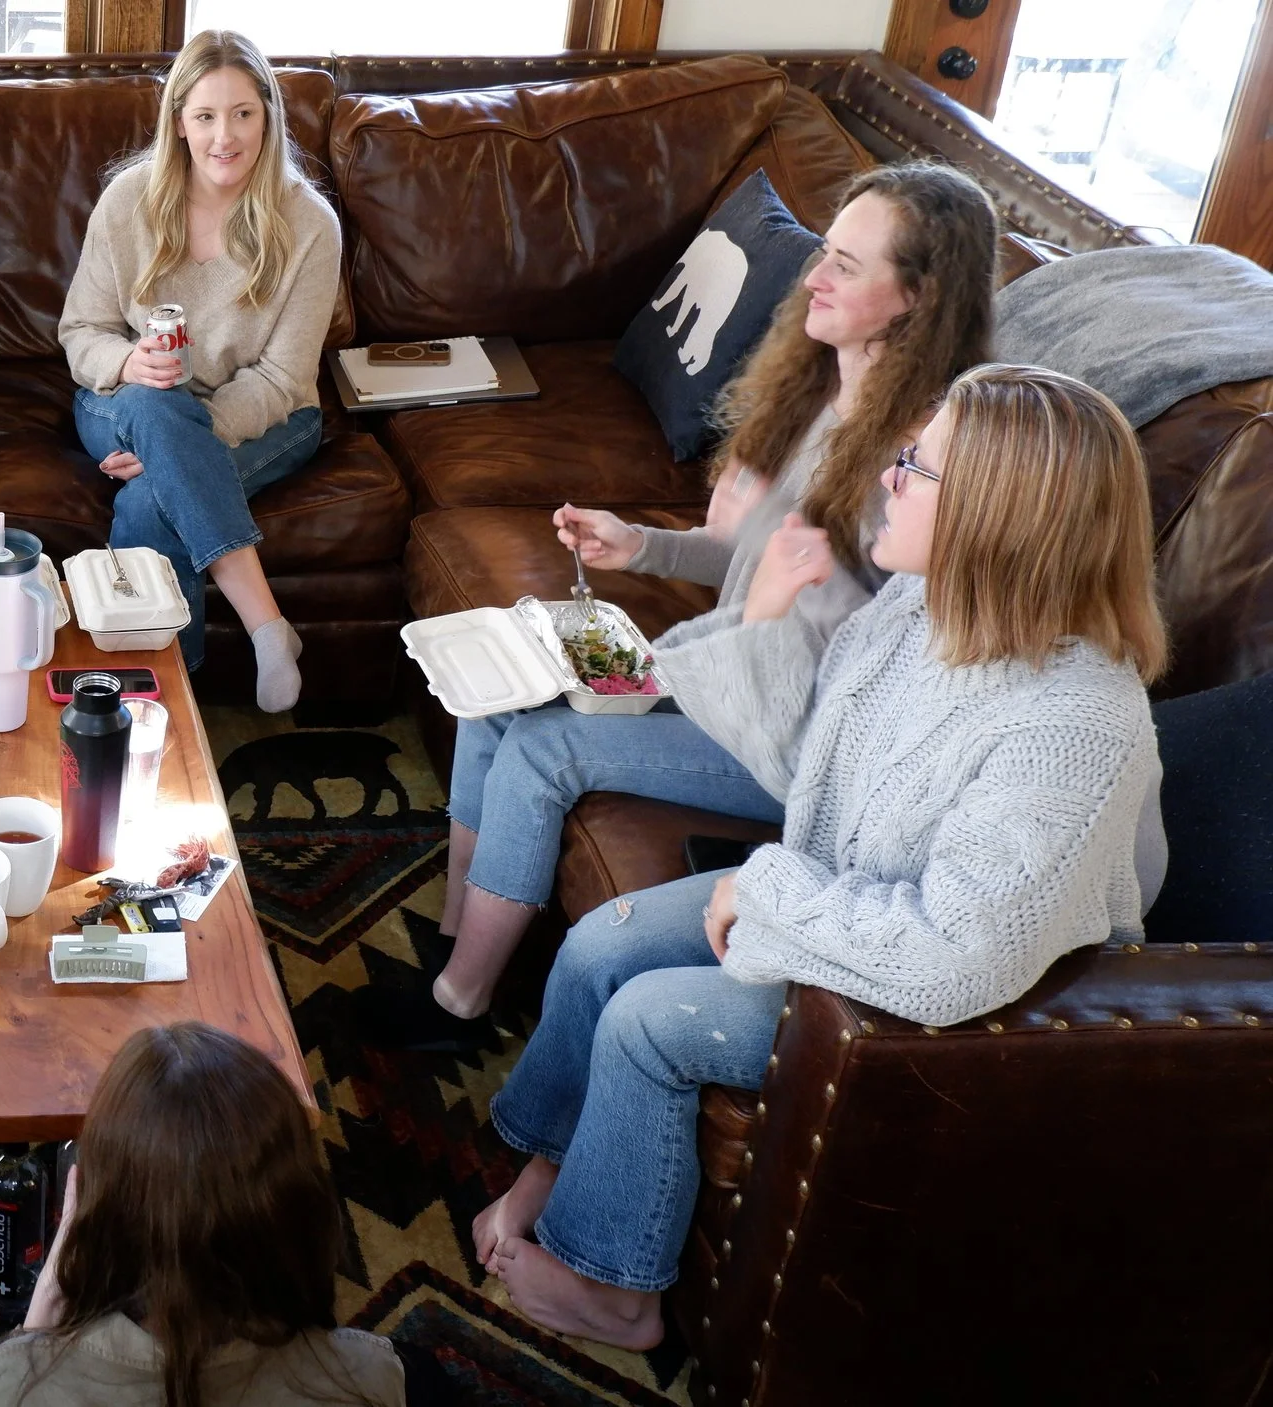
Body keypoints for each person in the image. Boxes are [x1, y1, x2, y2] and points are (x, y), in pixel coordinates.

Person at [472, 365, 1167, 1350]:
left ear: (992, 515)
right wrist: (759, 619)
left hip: (958, 1002)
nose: (887, 476)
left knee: (647, 1019)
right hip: (837, 904)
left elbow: (958, 959)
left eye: (914, 467)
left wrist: (770, 895)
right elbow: (809, 769)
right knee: (599, 945)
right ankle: (546, 1160)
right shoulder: (916, 608)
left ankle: (615, 1290)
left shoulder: (1074, 724)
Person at [376, 163, 1002, 1044]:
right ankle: (456, 949)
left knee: (544, 748)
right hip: (726, 669)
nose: (815, 277)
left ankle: (459, 1006)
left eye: (848, 267)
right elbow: (767, 559)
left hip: (794, 736)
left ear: (917, 296)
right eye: (825, 251)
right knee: (497, 708)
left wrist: (784, 569)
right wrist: (641, 544)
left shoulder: (923, 458)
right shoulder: (830, 393)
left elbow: (891, 657)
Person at [58, 30, 340, 714]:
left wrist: (174, 443)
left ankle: (160, 709)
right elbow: (80, 333)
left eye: (243, 113)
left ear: (268, 116)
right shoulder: (129, 202)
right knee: (155, 408)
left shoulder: (310, 226)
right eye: (206, 115)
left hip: (268, 412)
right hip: (126, 400)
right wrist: (128, 360)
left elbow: (280, 378)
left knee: (151, 498)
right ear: (178, 120)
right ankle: (267, 627)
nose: (226, 136)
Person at [0, 1022, 448, 1407]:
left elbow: (11, 1377)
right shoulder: (371, 1377)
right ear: (300, 1208)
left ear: (94, 1211)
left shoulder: (13, 1386)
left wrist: (42, 1313)